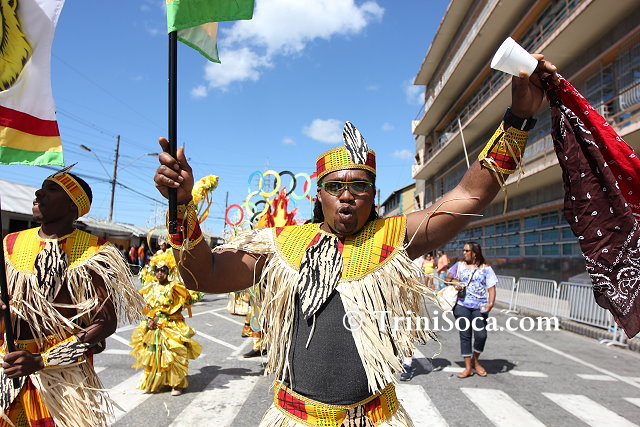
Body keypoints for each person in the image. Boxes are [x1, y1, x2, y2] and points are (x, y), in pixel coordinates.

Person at [154, 58, 558, 426]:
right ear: (319, 195)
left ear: (373, 194)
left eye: (359, 186)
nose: (347, 195)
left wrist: (519, 118)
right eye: (335, 186)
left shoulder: (394, 237)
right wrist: (182, 205)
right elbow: (203, 276)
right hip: (296, 419)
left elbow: (470, 195)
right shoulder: (283, 244)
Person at [0, 167, 145, 426]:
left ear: (73, 206)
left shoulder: (95, 250)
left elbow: (105, 323)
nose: (39, 193)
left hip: (60, 380)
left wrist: (41, 360)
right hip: (8, 366)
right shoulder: (10, 243)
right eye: (42, 186)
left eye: (52, 189)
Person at [130, 251, 202, 396]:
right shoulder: (151, 287)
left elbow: (181, 305)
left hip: (171, 325)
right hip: (155, 325)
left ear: (168, 272)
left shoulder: (175, 287)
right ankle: (159, 381)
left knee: (174, 354)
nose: (160, 273)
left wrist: (164, 315)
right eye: (157, 270)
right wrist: (151, 319)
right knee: (156, 354)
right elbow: (149, 307)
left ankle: (177, 384)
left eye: (163, 270)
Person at [446, 242, 497, 379]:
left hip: (480, 306)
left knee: (481, 335)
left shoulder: (486, 269)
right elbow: (447, 278)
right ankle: (468, 368)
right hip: (462, 305)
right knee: (465, 336)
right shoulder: (459, 265)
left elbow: (491, 288)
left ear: (475, 253)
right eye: (463, 250)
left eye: (467, 250)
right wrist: (454, 282)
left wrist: (491, 304)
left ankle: (475, 360)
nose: (464, 253)